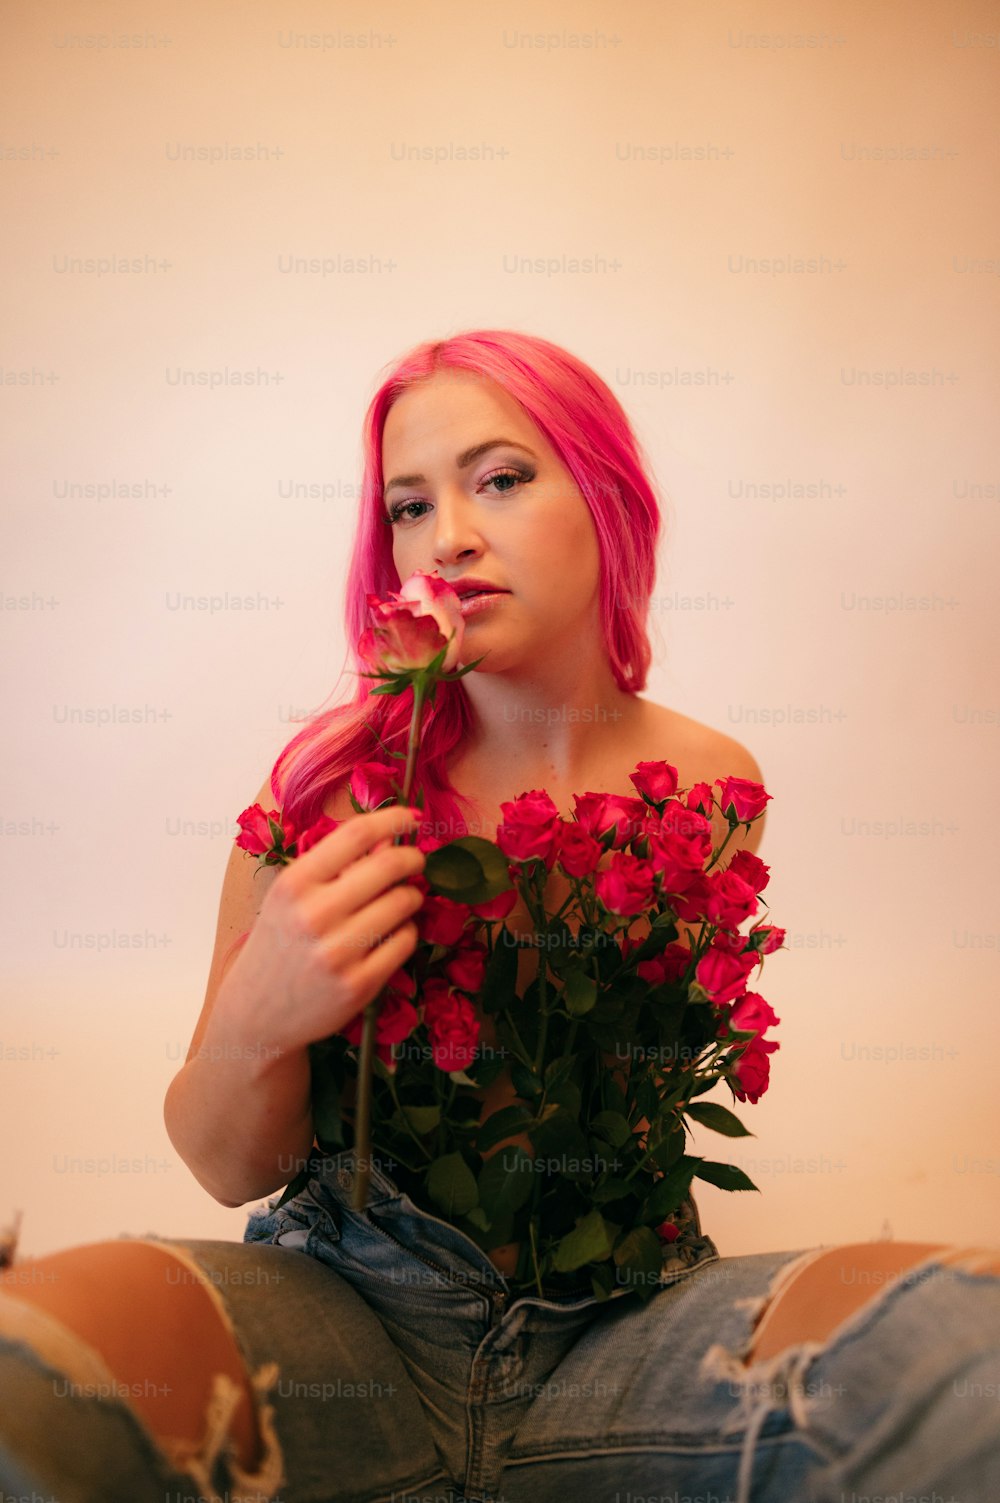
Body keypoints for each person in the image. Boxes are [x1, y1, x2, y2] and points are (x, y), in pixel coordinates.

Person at [2, 328, 999, 1503]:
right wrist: (267, 1011)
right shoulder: (326, 793)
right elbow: (228, 1167)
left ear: (610, 496)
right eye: (410, 507)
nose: (449, 538)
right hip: (348, 1329)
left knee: (956, 1340)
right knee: (39, 1361)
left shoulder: (709, 787)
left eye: (501, 479)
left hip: (622, 1335)